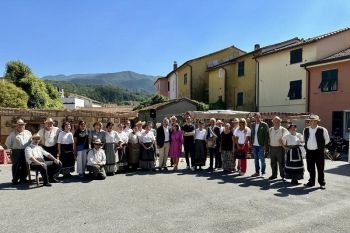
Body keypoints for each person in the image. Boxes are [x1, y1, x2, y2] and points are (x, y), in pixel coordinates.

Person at [303, 114, 330, 189]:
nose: (311, 122)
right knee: (310, 168)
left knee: (320, 168)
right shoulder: (306, 129)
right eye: (310, 120)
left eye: (313, 120)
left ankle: (322, 183)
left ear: (317, 121)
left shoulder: (322, 129)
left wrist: (321, 146)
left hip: (319, 152)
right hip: (309, 152)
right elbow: (304, 139)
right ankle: (311, 182)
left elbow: (327, 140)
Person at [5, 119, 32, 184]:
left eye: (22, 125)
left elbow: (31, 141)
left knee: (25, 165)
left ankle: (23, 178)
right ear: (16, 126)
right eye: (19, 125)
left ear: (24, 125)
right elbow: (7, 143)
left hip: (26, 151)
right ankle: (15, 179)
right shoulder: (12, 134)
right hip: (16, 151)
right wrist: (12, 149)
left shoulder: (28, 132)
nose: (21, 126)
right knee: (16, 166)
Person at [268, 116, 288, 180]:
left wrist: (283, 144)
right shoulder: (270, 129)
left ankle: (283, 176)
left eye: (278, 121)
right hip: (272, 148)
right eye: (275, 121)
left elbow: (286, 139)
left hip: (280, 148)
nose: (276, 122)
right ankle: (274, 175)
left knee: (281, 163)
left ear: (280, 122)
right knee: (273, 163)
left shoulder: (283, 129)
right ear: (273, 122)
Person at [250, 113, 269, 177]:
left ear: (260, 117)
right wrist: (251, 143)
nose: (256, 118)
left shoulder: (264, 125)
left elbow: (266, 136)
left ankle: (263, 172)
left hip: (261, 145)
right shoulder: (252, 125)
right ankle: (257, 172)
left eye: (258, 117)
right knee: (256, 160)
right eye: (255, 117)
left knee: (262, 160)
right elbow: (251, 135)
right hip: (254, 145)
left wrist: (265, 145)